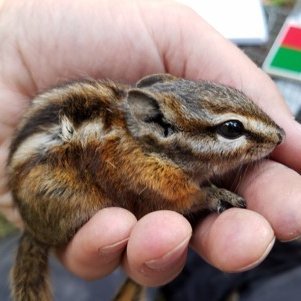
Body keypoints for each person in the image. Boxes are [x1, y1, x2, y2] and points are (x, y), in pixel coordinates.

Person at [1, 0, 301, 292]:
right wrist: (204, 196)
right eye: (231, 129)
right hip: (51, 183)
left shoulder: (154, 134)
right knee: (114, 221)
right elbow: (169, 194)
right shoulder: (146, 163)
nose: (272, 139)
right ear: (160, 126)